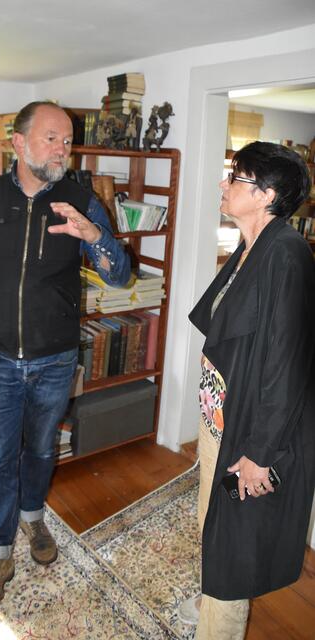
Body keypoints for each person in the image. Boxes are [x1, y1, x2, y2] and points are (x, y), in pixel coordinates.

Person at [0, 101, 130, 607]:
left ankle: (32, 517)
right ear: (18, 143)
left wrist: (94, 235)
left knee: (44, 449)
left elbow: (120, 275)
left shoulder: (80, 200)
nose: (62, 149)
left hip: (55, 357)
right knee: (1, 456)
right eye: (52, 138)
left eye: (67, 141)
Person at [182, 141, 315, 639]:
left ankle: (218, 624)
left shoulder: (288, 255)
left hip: (249, 432)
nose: (223, 184)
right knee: (211, 521)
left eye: (235, 177)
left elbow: (289, 365)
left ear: (266, 195)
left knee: (234, 546)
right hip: (220, 418)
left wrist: (260, 454)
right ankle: (210, 596)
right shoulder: (251, 246)